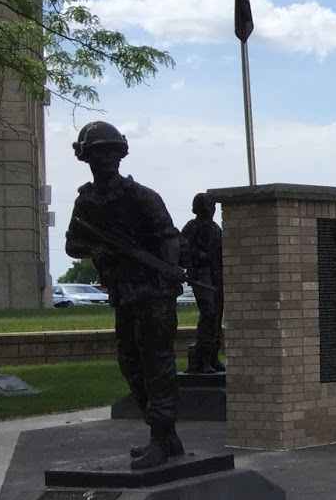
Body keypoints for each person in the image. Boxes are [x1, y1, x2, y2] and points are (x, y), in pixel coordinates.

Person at [64, 121, 186, 469]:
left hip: (153, 292)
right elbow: (73, 244)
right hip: (123, 292)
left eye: (112, 151)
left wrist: (167, 269)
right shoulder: (86, 202)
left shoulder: (142, 196)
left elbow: (168, 237)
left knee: (157, 365)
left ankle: (160, 437)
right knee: (130, 365)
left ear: (121, 153)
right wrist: (99, 250)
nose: (106, 158)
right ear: (86, 156)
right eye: (98, 152)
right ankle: (166, 435)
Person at [179, 194, 224, 374]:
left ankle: (213, 357)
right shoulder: (192, 227)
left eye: (213, 206)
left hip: (216, 274)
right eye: (208, 206)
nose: (211, 209)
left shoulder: (215, 228)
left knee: (217, 315)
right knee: (208, 312)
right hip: (201, 274)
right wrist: (198, 256)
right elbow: (183, 247)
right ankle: (203, 358)